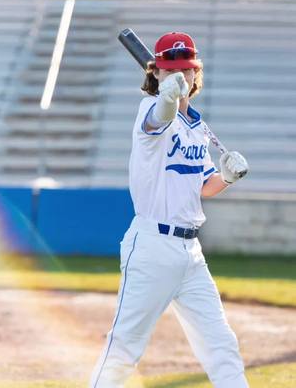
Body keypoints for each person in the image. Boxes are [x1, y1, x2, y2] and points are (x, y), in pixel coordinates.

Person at [90, 32, 249, 388]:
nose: (182, 76)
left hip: (191, 253)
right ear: (157, 73)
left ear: (197, 73)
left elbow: (204, 187)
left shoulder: (198, 128)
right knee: (125, 348)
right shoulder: (149, 108)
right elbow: (160, 118)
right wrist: (167, 96)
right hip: (151, 245)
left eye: (188, 69)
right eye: (172, 69)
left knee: (221, 344)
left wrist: (225, 177)